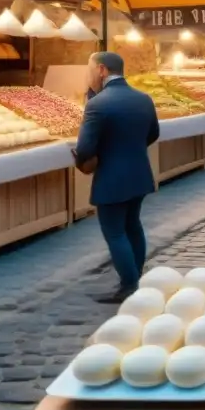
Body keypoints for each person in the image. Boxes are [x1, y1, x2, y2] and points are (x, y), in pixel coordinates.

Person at [75, 52, 160, 303]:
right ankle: (137, 276)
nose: (88, 74)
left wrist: (87, 158)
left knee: (114, 232)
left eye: (90, 69)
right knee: (133, 225)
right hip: (139, 173)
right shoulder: (144, 99)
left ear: (102, 70)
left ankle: (129, 284)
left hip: (112, 178)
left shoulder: (98, 104)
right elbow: (153, 133)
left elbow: (85, 148)